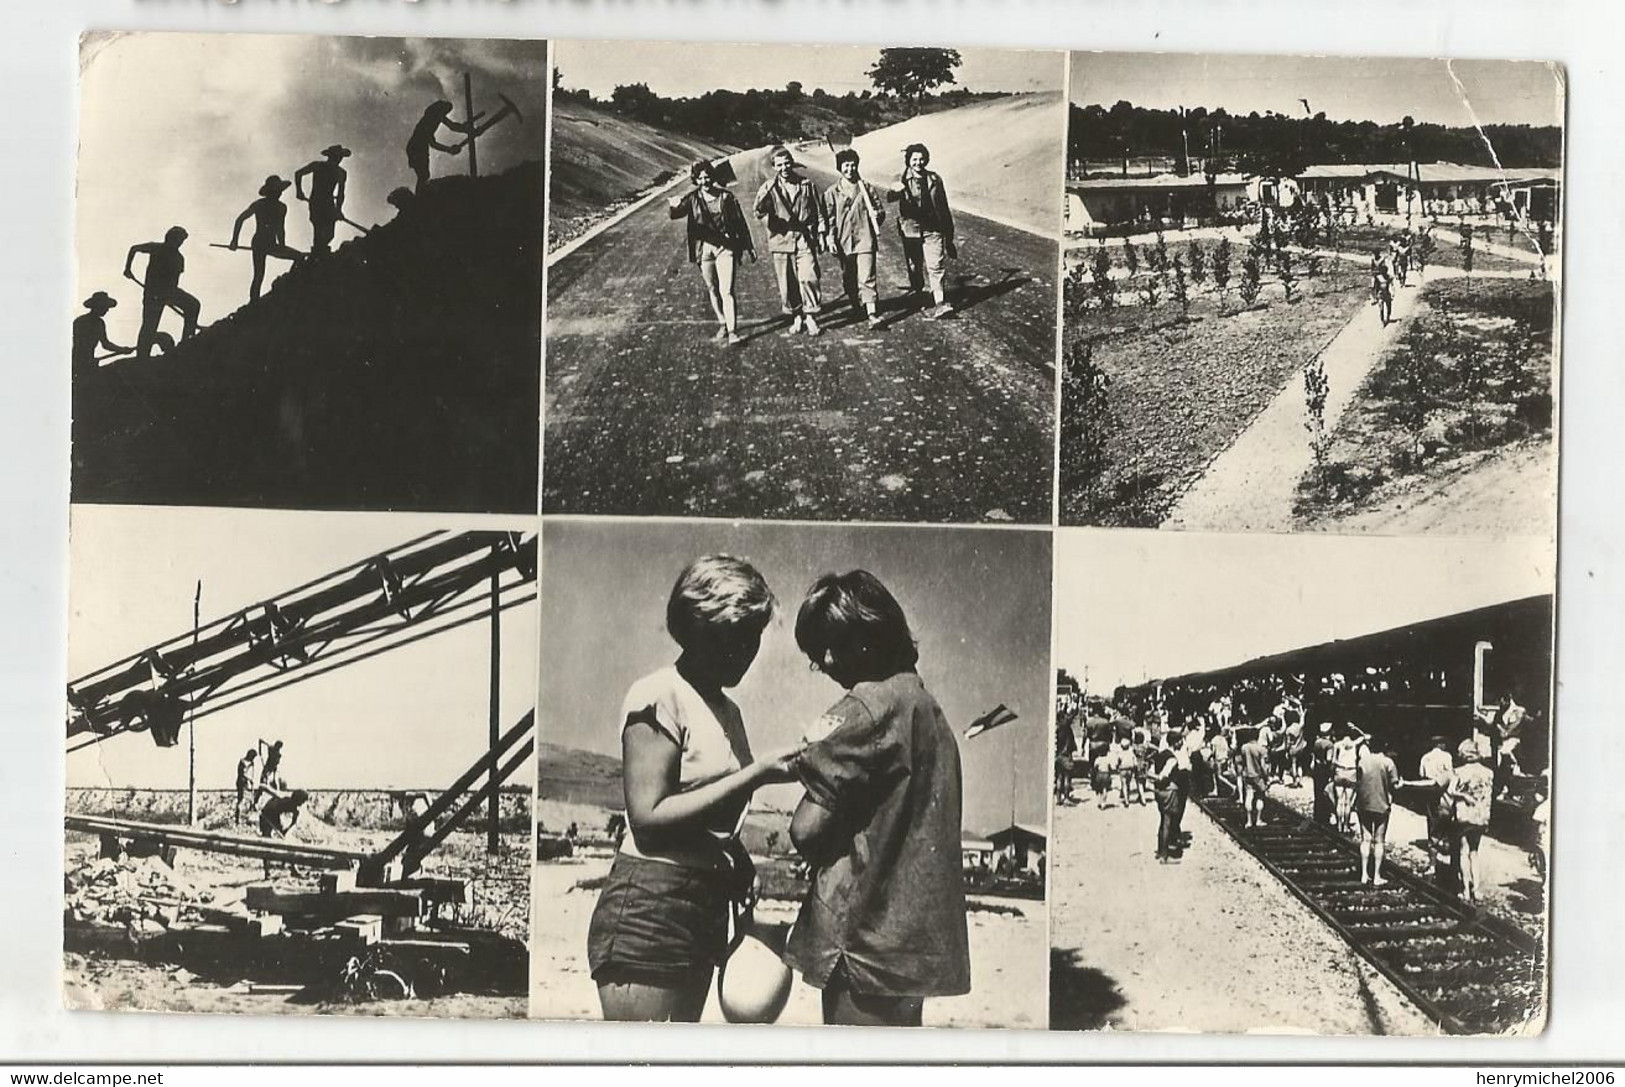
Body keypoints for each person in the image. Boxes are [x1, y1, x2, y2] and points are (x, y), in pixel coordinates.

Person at [585, 555, 800, 1023]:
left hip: (702, 909)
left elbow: (706, 819)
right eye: (738, 637)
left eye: (754, 638)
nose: (748, 651)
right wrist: (757, 772)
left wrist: (736, 861)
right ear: (703, 630)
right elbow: (648, 817)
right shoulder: (659, 695)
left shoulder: (729, 712)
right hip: (651, 908)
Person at [786, 570, 971, 1027]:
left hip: (862, 942)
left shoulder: (863, 708)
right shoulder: (929, 711)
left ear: (867, 636)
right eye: (817, 654)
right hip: (910, 944)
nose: (827, 661)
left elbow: (806, 830)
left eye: (834, 644)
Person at [669, 159, 756, 345]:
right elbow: (675, 214)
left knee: (727, 290)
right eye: (700, 178)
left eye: (707, 177)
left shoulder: (727, 197)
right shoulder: (692, 198)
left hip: (726, 247)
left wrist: (749, 246)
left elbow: (740, 223)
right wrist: (674, 204)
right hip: (704, 249)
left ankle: (732, 331)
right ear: (695, 180)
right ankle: (722, 322)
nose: (704, 181)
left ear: (713, 177)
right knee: (712, 288)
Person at [753, 146, 825, 336]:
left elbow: (818, 211)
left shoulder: (806, 185)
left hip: (805, 237)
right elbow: (758, 212)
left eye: (787, 163)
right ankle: (797, 316)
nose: (784, 168)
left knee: (809, 276)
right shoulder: (768, 188)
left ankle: (810, 315)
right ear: (774, 167)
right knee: (788, 281)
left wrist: (822, 234)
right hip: (781, 239)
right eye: (780, 165)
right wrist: (771, 221)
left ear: (792, 163)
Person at [886, 143, 957, 319]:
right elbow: (889, 197)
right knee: (915, 265)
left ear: (926, 159)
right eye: (914, 159)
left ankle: (939, 302)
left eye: (921, 158)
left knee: (936, 265)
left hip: (933, 228)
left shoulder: (934, 179)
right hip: (911, 230)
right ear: (908, 161)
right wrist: (897, 190)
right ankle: (918, 294)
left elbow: (943, 207)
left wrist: (949, 236)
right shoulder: (901, 178)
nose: (918, 162)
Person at [822, 148, 887, 328]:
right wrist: (829, 238)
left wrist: (877, 214)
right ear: (840, 168)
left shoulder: (866, 188)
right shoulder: (832, 192)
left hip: (865, 238)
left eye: (853, 165)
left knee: (867, 277)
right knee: (849, 277)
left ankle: (872, 313)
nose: (850, 169)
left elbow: (880, 212)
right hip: (843, 241)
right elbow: (828, 218)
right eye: (846, 165)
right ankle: (855, 303)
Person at [124, 226, 201, 359]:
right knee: (150, 325)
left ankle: (187, 341)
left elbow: (175, 280)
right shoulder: (156, 248)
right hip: (153, 294)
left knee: (193, 305)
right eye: (178, 239)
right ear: (170, 238)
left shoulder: (178, 258)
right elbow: (134, 248)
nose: (180, 243)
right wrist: (128, 268)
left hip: (170, 291)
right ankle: (142, 357)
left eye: (181, 240)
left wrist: (169, 296)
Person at [229, 176, 305, 303]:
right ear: (271, 192)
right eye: (277, 191)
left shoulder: (281, 207)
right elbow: (241, 219)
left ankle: (290, 283)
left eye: (280, 191)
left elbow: (281, 228)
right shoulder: (260, 205)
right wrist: (234, 240)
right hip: (259, 242)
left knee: (298, 257)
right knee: (259, 274)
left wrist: (282, 245)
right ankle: (253, 303)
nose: (280, 193)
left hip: (269, 243)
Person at [1447, 751, 1495, 904]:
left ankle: (1465, 890)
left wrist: (1465, 796)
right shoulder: (1489, 772)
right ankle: (1477, 889)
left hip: (1464, 815)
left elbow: (1451, 791)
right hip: (1481, 816)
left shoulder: (1459, 771)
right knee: (1474, 852)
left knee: (1463, 852)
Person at [1354, 739, 1401, 886]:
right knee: (1379, 840)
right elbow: (1395, 784)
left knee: (1365, 839)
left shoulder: (1362, 761)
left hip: (1363, 803)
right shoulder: (1388, 762)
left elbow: (1358, 779)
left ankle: (1363, 874)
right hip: (1381, 804)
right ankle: (1376, 876)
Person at [294, 144, 351, 256]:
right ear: (330, 156)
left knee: (329, 234)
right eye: (337, 157)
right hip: (316, 201)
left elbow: (341, 193)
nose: (339, 159)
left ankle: (319, 252)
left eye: (340, 157)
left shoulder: (341, 172)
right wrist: (299, 191)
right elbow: (298, 173)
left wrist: (338, 209)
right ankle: (318, 255)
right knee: (319, 230)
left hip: (328, 202)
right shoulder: (318, 166)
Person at [407, 100, 470, 194]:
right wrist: (449, 149)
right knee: (423, 175)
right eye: (445, 112)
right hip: (417, 148)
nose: (445, 115)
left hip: (417, 147)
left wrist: (464, 128)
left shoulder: (432, 118)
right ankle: (419, 198)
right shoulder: (430, 121)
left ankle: (420, 198)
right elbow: (433, 144)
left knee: (423, 175)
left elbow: (452, 126)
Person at [1419, 735, 1457, 882]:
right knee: (1449, 827)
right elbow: (1451, 774)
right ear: (1441, 744)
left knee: (1432, 830)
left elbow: (1422, 775)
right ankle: (1452, 864)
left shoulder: (1425, 758)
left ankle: (1433, 865)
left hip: (1430, 795)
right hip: (1445, 795)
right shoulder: (1447, 756)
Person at [72, 292, 130, 379]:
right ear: (97, 306)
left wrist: (122, 350)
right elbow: (80, 344)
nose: (107, 310)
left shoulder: (99, 323)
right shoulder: (81, 322)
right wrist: (122, 350)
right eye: (105, 307)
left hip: (89, 362)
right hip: (77, 363)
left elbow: (105, 344)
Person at [1151, 729, 1183, 862]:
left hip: (1158, 792)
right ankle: (1165, 855)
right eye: (1180, 741)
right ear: (1175, 742)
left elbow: (1151, 772)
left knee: (1163, 820)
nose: (1182, 743)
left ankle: (1160, 851)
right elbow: (1164, 775)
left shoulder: (1160, 755)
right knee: (1168, 822)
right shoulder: (1172, 759)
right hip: (1169, 791)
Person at [1331, 724, 1367, 833]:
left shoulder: (1337, 745)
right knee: (1348, 802)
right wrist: (1356, 727)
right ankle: (1346, 826)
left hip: (1340, 772)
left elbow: (1333, 761)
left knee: (1339, 801)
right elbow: (1364, 736)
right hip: (1351, 772)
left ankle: (1339, 825)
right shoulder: (1354, 744)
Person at [1239, 728, 1270, 829]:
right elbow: (1263, 765)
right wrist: (1266, 776)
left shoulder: (1244, 747)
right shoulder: (1261, 749)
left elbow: (1242, 762)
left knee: (1249, 796)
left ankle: (1248, 821)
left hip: (1247, 774)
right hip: (1258, 776)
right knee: (1260, 797)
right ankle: (1258, 819)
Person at [1311, 722, 1336, 826]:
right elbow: (1329, 759)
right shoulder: (1329, 744)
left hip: (1317, 769)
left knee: (1317, 791)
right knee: (1325, 792)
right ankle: (1325, 816)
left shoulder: (1317, 742)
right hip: (1324, 770)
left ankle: (1317, 815)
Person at [1053, 716, 1076, 805]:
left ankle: (1058, 798)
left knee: (1059, 777)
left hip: (1058, 755)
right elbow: (1072, 746)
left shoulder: (1058, 731)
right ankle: (1066, 797)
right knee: (1067, 777)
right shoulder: (1069, 733)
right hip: (1066, 755)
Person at [234, 748, 259, 826]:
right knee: (241, 800)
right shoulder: (242, 762)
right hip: (241, 783)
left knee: (249, 800)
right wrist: (250, 779)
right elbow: (243, 773)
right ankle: (237, 820)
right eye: (253, 757)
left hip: (245, 783)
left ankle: (247, 818)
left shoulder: (248, 762)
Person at [1371, 250, 1394, 326]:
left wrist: (1393, 293)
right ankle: (1382, 320)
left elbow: (1392, 285)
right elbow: (1374, 287)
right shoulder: (1378, 277)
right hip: (1380, 294)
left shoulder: (1388, 277)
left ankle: (1388, 317)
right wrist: (1374, 296)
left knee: (1389, 307)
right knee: (1381, 307)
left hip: (1387, 293)